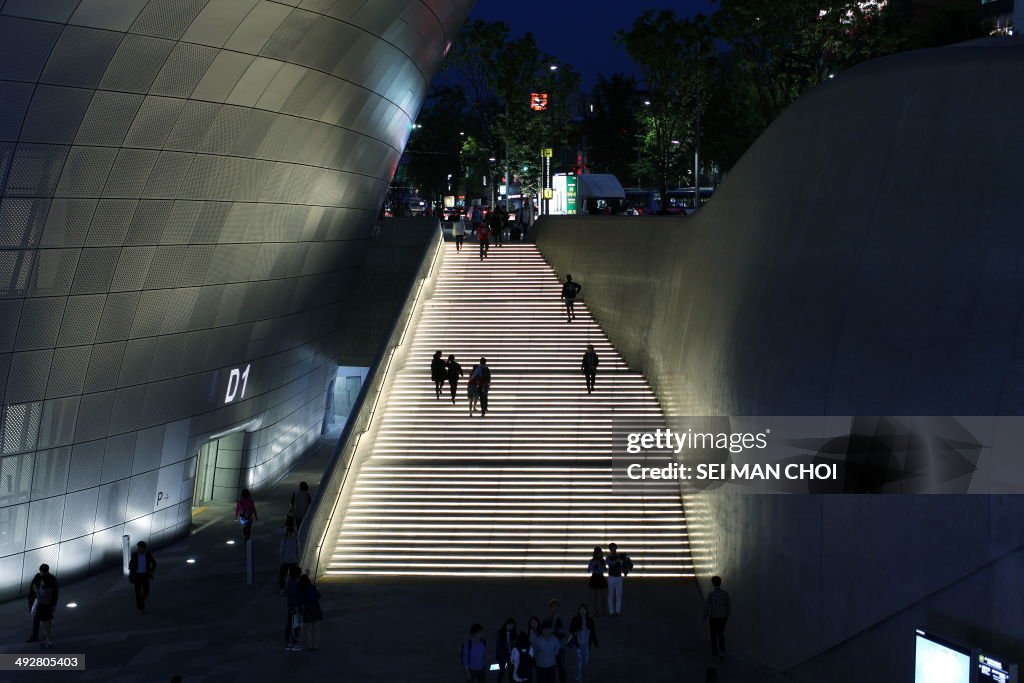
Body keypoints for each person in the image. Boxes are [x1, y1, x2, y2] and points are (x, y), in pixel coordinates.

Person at [26, 563, 58, 647]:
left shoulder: (49, 580)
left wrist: (35, 593)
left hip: (43, 603)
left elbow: (52, 593)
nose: (42, 573)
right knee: (43, 620)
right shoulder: (42, 577)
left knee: (44, 621)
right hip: (42, 602)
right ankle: (45, 638)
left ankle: (47, 638)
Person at [568, 604, 599, 683]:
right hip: (577, 644)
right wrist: (576, 631)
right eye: (581, 609)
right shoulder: (575, 619)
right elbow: (570, 629)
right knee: (579, 661)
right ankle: (579, 679)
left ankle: (576, 673)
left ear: (586, 610)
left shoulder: (590, 620)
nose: (582, 611)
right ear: (578, 611)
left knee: (585, 662)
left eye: (584, 609)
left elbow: (593, 631)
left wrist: (595, 642)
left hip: (586, 644)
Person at [704, 575, 732, 662]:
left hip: (713, 617)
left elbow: (708, 607)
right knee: (720, 634)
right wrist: (726, 615)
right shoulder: (725, 594)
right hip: (723, 617)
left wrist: (704, 616)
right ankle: (722, 652)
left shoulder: (711, 595)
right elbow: (728, 606)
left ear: (713, 584)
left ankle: (715, 655)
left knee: (713, 635)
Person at [128, 541, 157, 615]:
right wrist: (131, 575)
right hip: (137, 576)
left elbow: (154, 563)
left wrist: (151, 570)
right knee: (138, 593)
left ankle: (140, 601)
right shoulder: (135, 555)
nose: (138, 549)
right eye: (137, 548)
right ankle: (141, 608)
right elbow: (131, 565)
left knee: (147, 591)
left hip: (145, 575)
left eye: (139, 548)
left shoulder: (147, 554)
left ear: (144, 548)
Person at [606, 543, 632, 616]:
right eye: (612, 548)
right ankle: (611, 612)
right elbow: (609, 563)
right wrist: (617, 561)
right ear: (610, 549)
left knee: (618, 595)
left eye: (614, 548)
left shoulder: (620, 557)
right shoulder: (608, 557)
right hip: (611, 577)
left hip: (618, 577)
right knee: (611, 595)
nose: (613, 549)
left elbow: (623, 565)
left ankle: (617, 611)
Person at [298, 573, 323, 651]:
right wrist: (315, 588)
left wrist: (300, 612)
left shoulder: (302, 591)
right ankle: (316, 646)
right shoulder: (314, 587)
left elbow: (301, 602)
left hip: (307, 609)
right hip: (316, 608)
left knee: (308, 629)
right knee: (316, 629)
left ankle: (310, 646)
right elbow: (319, 596)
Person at [547, 599, 567, 683]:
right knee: (550, 666)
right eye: (553, 607)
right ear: (550, 608)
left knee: (561, 666)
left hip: (560, 647)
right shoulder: (546, 619)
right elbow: (548, 633)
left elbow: (563, 632)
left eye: (556, 607)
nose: (554, 609)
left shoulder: (561, 619)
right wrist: (554, 622)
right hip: (549, 647)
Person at [285, 565, 303, 651]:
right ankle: (294, 643)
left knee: (289, 625)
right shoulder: (294, 584)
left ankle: (288, 642)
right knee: (295, 626)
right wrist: (297, 608)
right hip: (294, 608)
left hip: (290, 608)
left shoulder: (289, 582)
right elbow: (295, 597)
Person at [278, 525, 300, 595]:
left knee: (282, 575)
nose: (291, 534)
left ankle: (282, 589)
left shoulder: (284, 541)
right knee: (293, 576)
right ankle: (293, 589)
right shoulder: (296, 540)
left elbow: (281, 551)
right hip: (293, 561)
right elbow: (298, 551)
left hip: (286, 561)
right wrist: (298, 560)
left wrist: (281, 560)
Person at [586, 547, 607, 617]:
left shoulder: (602, 561)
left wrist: (603, 565)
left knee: (603, 596)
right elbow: (588, 570)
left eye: (600, 553)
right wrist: (594, 564)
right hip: (595, 577)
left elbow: (605, 570)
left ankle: (603, 610)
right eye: (598, 553)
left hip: (600, 576)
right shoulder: (592, 561)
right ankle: (596, 611)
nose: (600, 554)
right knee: (595, 596)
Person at [496, 618, 518, 683]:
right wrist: (498, 656)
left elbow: (516, 644)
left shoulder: (514, 633)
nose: (510, 626)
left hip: (511, 655)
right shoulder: (500, 633)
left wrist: (513, 643)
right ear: (506, 624)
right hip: (502, 655)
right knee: (502, 670)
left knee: (511, 671)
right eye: (509, 624)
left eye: (512, 625)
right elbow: (498, 645)